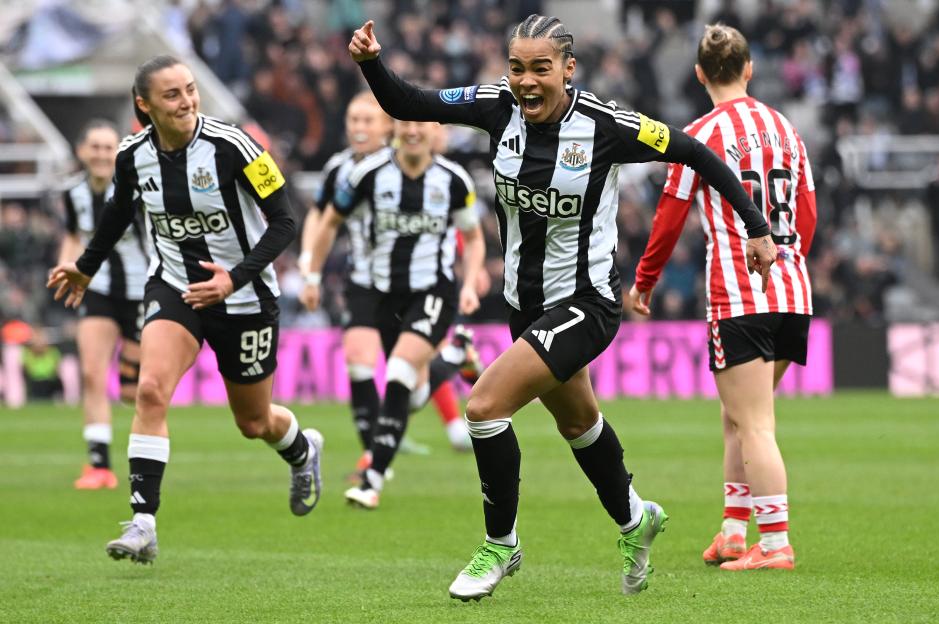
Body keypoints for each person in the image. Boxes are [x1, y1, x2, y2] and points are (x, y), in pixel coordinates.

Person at [348, 15, 777, 599]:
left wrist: (755, 227)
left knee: (484, 405)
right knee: (578, 421)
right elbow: (408, 101)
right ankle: (635, 518)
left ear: (568, 68)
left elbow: (696, 152)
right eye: (517, 67)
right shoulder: (494, 105)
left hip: (587, 302)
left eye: (540, 68)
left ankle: (500, 544)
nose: (525, 80)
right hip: (524, 306)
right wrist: (371, 60)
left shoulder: (607, 125)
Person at [47, 55, 322, 565]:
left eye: (190, 90)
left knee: (254, 421)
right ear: (144, 105)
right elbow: (117, 213)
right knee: (149, 389)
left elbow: (286, 220)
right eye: (172, 95)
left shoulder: (235, 145)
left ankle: (302, 449)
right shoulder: (132, 156)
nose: (186, 101)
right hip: (174, 285)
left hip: (244, 297)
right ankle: (143, 523)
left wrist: (234, 277)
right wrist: (85, 266)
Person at [631, 24, 817, 571]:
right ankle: (735, 530)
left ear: (698, 74)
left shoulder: (700, 134)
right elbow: (806, 214)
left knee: (754, 422)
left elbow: (669, 216)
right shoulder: (786, 127)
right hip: (792, 290)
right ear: (749, 69)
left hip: (739, 295)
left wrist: (644, 280)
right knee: (737, 416)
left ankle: (776, 543)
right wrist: (788, 261)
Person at [301, 118, 486, 510]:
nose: (414, 132)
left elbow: (472, 237)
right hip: (383, 296)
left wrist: (469, 283)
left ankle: (372, 479)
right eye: (406, 124)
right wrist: (313, 274)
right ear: (395, 130)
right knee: (413, 396)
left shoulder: (453, 180)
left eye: (422, 124)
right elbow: (330, 220)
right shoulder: (367, 175)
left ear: (435, 131)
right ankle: (455, 356)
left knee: (399, 374)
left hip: (433, 292)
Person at [59, 119, 151, 490]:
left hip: (142, 292)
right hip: (97, 290)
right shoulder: (72, 193)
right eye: (94, 147)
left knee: (135, 391)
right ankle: (99, 465)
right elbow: (73, 236)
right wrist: (67, 268)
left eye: (107, 147)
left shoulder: (137, 189)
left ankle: (144, 455)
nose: (100, 154)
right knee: (92, 374)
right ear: (81, 152)